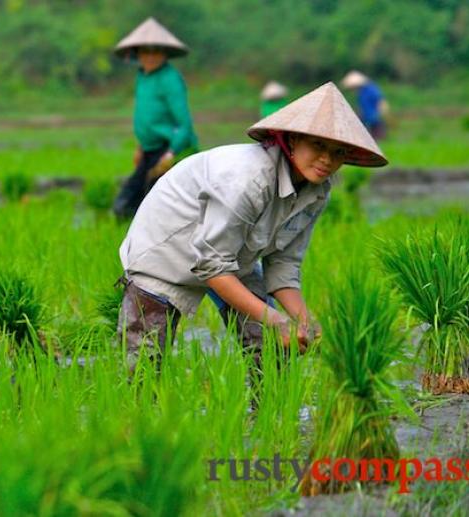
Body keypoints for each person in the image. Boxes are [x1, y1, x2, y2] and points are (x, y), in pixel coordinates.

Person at [117, 82, 388, 374]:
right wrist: (278, 319)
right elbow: (212, 266)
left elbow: (283, 263)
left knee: (271, 352)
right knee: (142, 366)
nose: (327, 159)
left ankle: (269, 415)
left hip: (231, 260)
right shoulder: (247, 178)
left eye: (338, 152)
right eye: (318, 145)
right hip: (168, 252)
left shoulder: (317, 191)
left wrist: (305, 321)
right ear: (293, 140)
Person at [111, 17, 198, 218]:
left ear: (164, 54)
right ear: (137, 53)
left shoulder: (170, 79)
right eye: (145, 51)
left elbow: (184, 124)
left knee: (154, 208)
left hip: (169, 151)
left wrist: (170, 154)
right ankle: (132, 242)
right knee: (125, 204)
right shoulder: (142, 76)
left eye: (156, 51)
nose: (150, 56)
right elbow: (147, 116)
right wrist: (140, 146)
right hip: (148, 151)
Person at [341, 70, 387, 140]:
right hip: (365, 118)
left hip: (374, 118)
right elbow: (362, 106)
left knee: (377, 139)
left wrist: (381, 112)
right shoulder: (361, 93)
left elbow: (380, 101)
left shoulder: (371, 89)